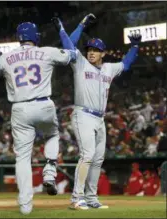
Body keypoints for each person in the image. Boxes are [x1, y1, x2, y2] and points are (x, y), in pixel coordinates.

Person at [0, 21, 76, 214]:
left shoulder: (6, 58)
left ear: (19, 38)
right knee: (52, 135)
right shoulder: (47, 51)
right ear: (36, 36)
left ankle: (25, 205)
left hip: (19, 109)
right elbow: (72, 54)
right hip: (43, 105)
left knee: (22, 158)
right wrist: (62, 31)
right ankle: (50, 171)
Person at [52, 14, 142, 209]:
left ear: (103, 53)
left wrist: (134, 47)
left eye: (96, 50)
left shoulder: (109, 68)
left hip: (100, 119)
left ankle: (91, 198)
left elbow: (126, 64)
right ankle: (76, 198)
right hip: (82, 114)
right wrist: (79, 26)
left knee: (97, 159)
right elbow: (68, 45)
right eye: (90, 49)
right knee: (87, 155)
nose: (91, 52)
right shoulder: (80, 64)